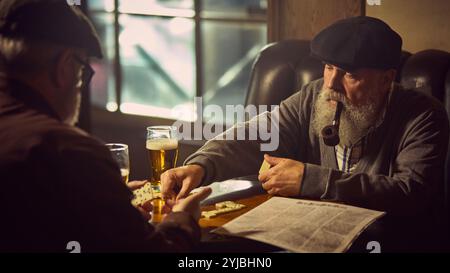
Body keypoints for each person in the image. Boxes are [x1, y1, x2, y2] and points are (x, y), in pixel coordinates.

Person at [161, 16, 450, 251]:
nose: (331, 84)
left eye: (348, 74)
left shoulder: (424, 115)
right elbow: (257, 133)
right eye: (328, 67)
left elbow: (410, 193)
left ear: (386, 79)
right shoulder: (314, 96)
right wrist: (200, 166)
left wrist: (310, 180)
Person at [0, 0, 211, 252]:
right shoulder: (69, 151)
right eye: (82, 72)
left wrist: (106, 199)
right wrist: (184, 218)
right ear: (65, 66)